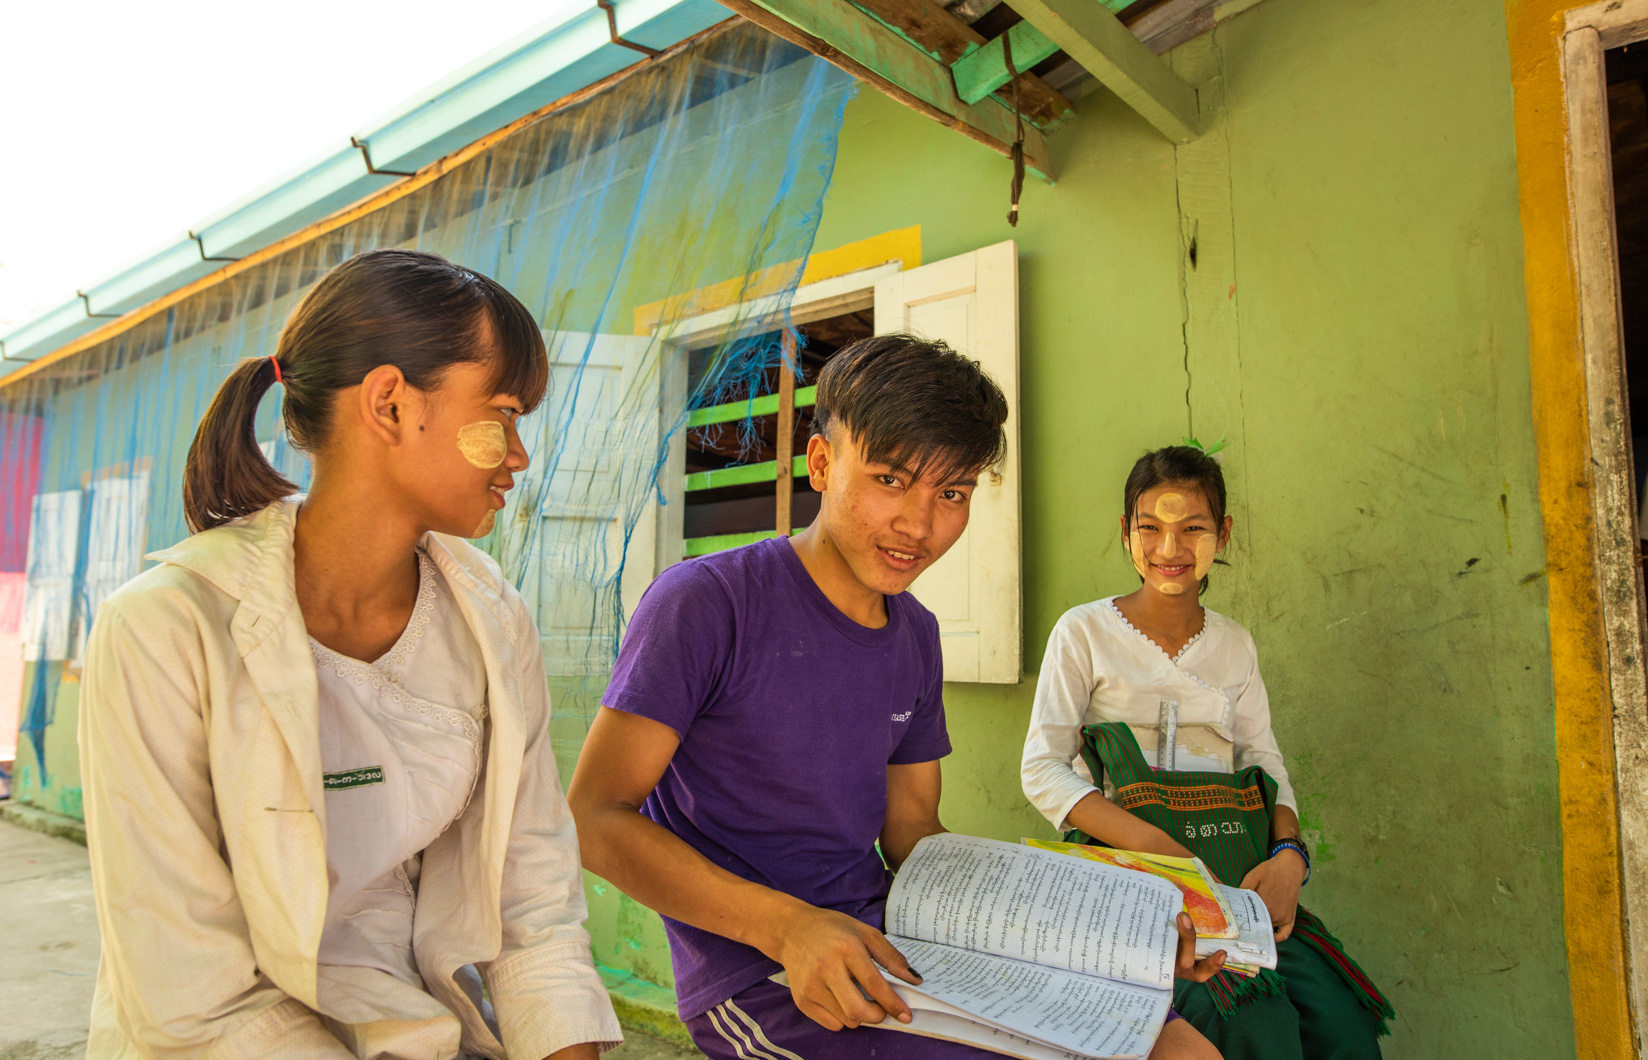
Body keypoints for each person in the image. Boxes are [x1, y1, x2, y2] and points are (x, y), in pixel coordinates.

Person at [568, 336, 1222, 1060]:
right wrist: (788, 928)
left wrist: (1105, 927)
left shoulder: (915, 634)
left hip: (900, 938)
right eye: (889, 479)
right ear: (821, 463)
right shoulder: (707, 602)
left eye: (952, 493)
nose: (919, 524)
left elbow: (911, 833)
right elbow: (595, 817)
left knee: (1175, 1047)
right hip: (762, 974)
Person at [78, 249, 621, 1059]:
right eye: (503, 413)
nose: (519, 456)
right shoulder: (164, 630)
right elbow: (185, 991)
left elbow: (532, 897)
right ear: (391, 404)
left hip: (429, 1030)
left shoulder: (492, 617)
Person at [1021, 444, 1393, 1060]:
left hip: (1236, 879)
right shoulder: (1084, 632)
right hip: (1131, 886)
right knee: (1254, 1019)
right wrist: (1155, 848)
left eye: (1192, 529)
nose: (1169, 549)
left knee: (1340, 1018)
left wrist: (1289, 859)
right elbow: (1042, 769)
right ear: (1126, 533)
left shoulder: (1234, 646)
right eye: (1151, 529)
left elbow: (1264, 762)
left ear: (1222, 534)